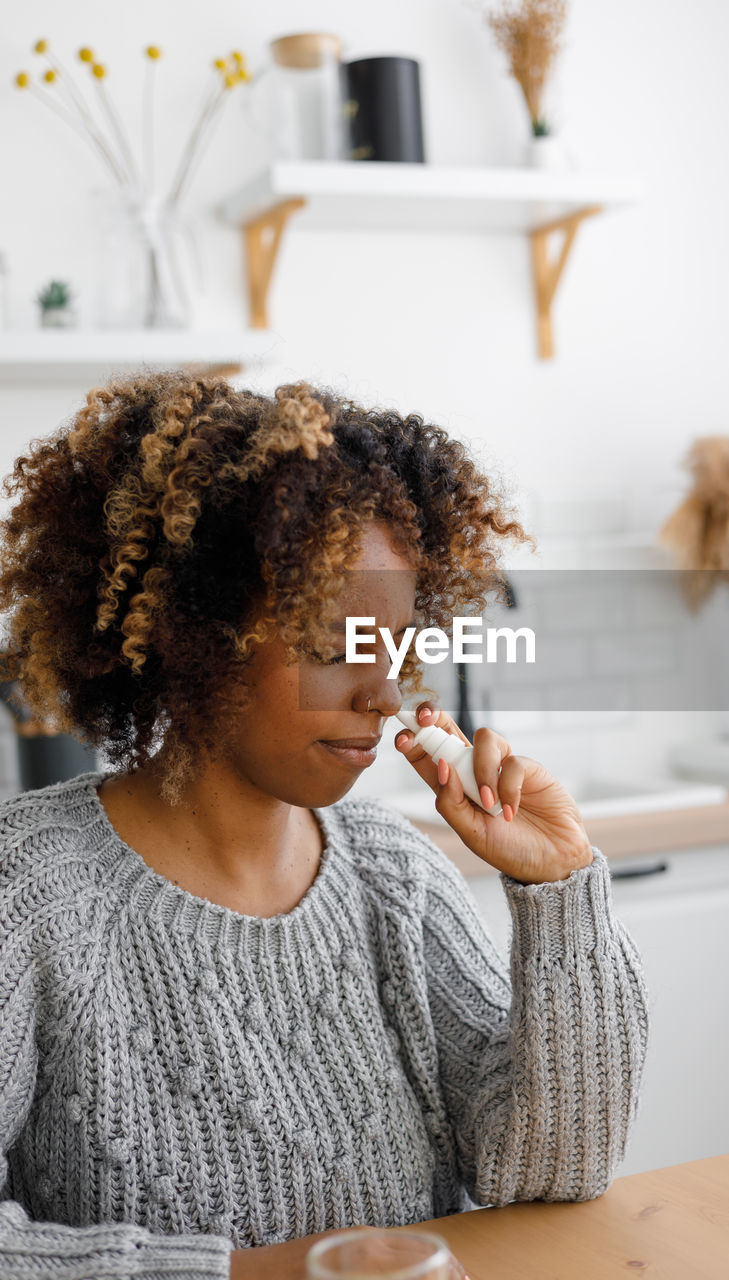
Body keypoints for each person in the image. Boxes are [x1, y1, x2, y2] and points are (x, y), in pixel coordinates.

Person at [0, 372, 649, 1280]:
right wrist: (253, 1273)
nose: (384, 696)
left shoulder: (396, 877)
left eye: (393, 647)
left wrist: (559, 886)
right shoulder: (26, 888)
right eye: (338, 646)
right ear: (194, 639)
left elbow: (554, 1171)